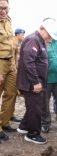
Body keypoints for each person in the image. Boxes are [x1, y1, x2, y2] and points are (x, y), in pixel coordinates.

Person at [16, 17, 57, 144]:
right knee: (36, 108)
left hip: (34, 81)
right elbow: (28, 62)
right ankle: (33, 134)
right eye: (50, 35)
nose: (50, 39)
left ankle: (23, 127)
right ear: (42, 29)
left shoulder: (39, 41)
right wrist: (35, 82)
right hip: (31, 83)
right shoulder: (33, 40)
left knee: (33, 106)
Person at [0, 0, 18, 141]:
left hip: (10, 62)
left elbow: (12, 42)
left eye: (5, 8)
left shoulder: (8, 20)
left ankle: (4, 122)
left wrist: (14, 63)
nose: (3, 11)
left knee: (11, 93)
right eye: (0, 8)